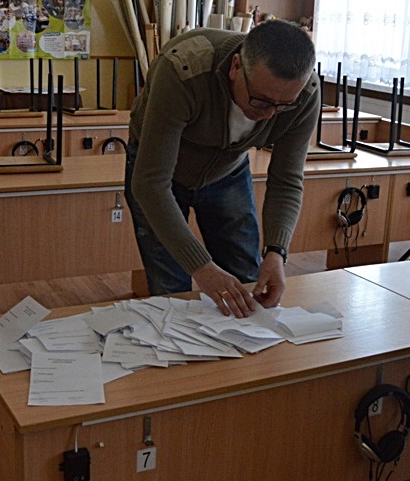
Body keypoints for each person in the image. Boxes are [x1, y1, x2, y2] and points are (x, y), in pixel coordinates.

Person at [126, 21, 319, 317]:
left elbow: (287, 180)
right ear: (236, 67)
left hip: (228, 170)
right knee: (172, 292)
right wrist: (202, 268)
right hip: (160, 173)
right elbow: (150, 184)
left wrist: (276, 252)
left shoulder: (305, 92)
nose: (270, 115)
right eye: (261, 101)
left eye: (283, 106)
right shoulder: (183, 69)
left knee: (248, 283)